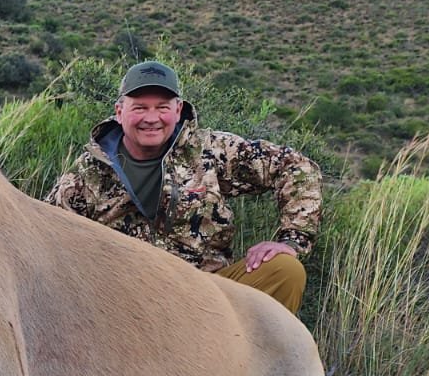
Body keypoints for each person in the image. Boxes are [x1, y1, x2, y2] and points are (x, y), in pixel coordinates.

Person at [46, 60, 321, 313]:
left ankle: (248, 363)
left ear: (178, 111)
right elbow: (45, 234)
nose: (151, 118)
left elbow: (296, 167)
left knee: (284, 270)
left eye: (162, 107)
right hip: (124, 308)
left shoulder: (211, 150)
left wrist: (291, 240)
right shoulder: (89, 172)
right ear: (120, 112)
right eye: (140, 107)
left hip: (209, 295)